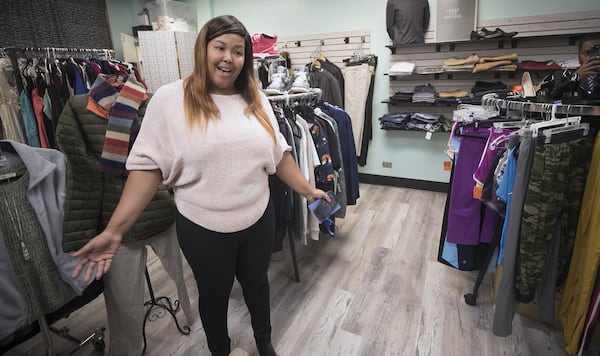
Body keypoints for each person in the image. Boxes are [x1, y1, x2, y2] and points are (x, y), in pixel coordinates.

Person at [70, 15, 329, 356]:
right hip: (202, 228)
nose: (228, 58)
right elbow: (147, 167)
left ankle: (265, 344)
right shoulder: (169, 100)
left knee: (257, 285)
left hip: (257, 220)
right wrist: (116, 230)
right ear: (203, 49)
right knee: (214, 295)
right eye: (220, 47)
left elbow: (279, 155)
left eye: (238, 52)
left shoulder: (258, 100)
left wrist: (307, 189)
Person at [575, 34, 600, 99]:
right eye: (586, 53)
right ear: (578, 54)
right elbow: (554, 96)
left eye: (597, 53)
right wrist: (576, 77)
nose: (591, 58)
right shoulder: (566, 77)